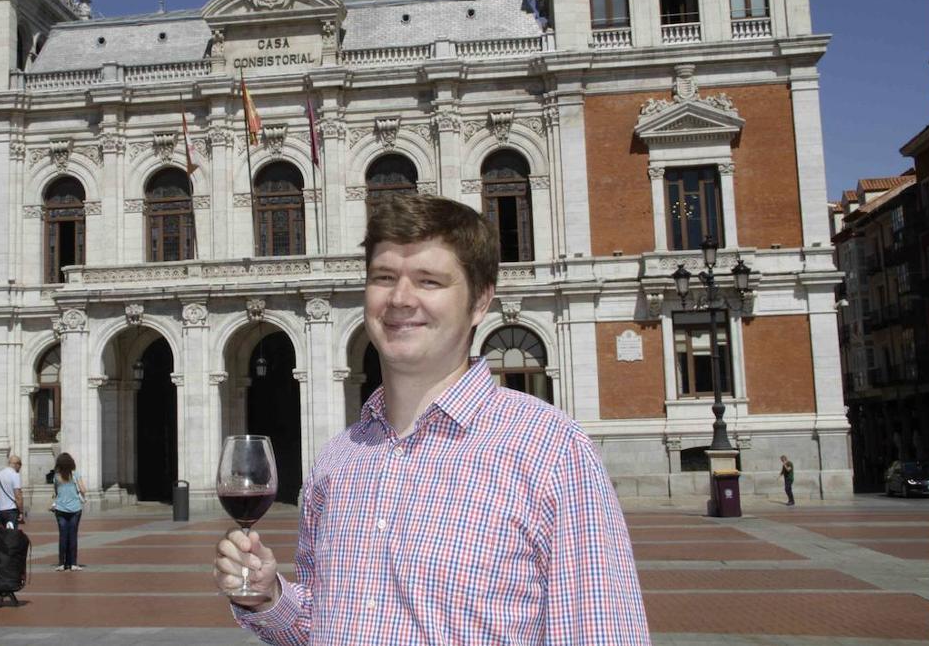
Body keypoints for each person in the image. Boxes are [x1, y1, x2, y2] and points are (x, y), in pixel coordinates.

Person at [213, 194, 650, 645]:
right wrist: (267, 597)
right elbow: (319, 626)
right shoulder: (338, 460)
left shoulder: (552, 451)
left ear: (479, 302)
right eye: (384, 277)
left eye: (429, 281)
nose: (400, 299)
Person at [51, 452, 88, 571]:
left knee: (63, 535)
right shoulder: (75, 475)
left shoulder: (56, 477)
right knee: (73, 535)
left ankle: (62, 563)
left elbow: (56, 492)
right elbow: (83, 490)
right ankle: (73, 563)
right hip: (75, 509)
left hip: (60, 509)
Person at [0, 455, 24, 528]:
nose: (20, 468)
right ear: (17, 464)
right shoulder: (15, 475)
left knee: (1, 535)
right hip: (11, 511)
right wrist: (21, 511)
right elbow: (18, 495)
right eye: (20, 465)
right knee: (11, 536)